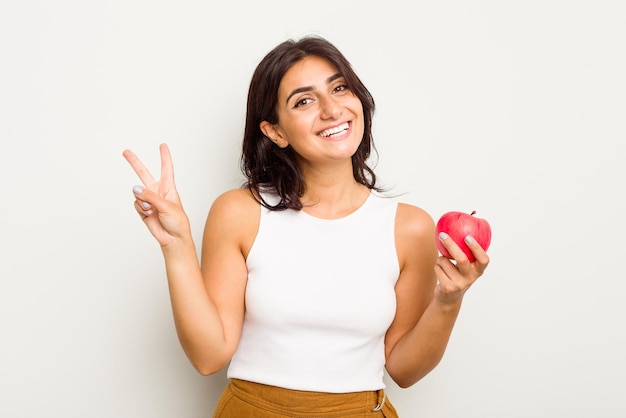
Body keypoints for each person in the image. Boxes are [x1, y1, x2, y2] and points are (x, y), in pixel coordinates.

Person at [123, 36, 490, 418]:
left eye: (339, 88)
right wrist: (176, 245)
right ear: (275, 132)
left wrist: (448, 300)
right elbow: (208, 357)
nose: (332, 109)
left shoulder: (410, 227)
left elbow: (404, 369)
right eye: (304, 100)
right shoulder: (239, 212)